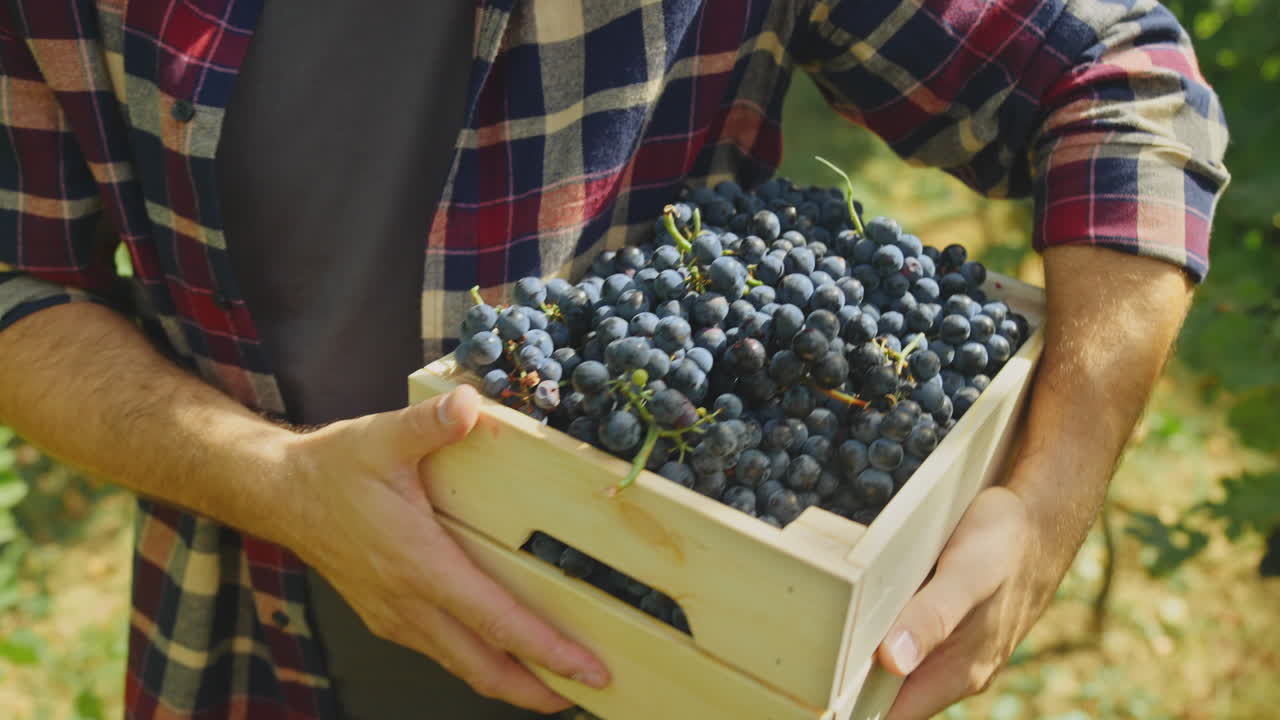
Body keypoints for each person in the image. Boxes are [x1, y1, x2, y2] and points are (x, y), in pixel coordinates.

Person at [0, 1, 1227, 718]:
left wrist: (1049, 495)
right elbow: (20, 281)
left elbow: (1117, 83)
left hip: (698, 653)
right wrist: (275, 483)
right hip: (251, 642)